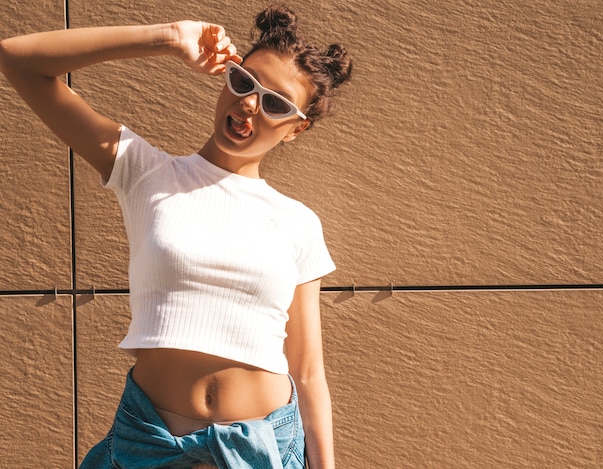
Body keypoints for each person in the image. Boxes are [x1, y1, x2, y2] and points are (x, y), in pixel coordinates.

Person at [0, 4, 352, 468]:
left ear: (296, 129)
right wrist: (166, 38)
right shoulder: (146, 173)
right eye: (244, 82)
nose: (249, 103)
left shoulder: (299, 222)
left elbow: (307, 372)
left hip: (262, 451)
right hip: (149, 446)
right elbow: (18, 60)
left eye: (275, 102)